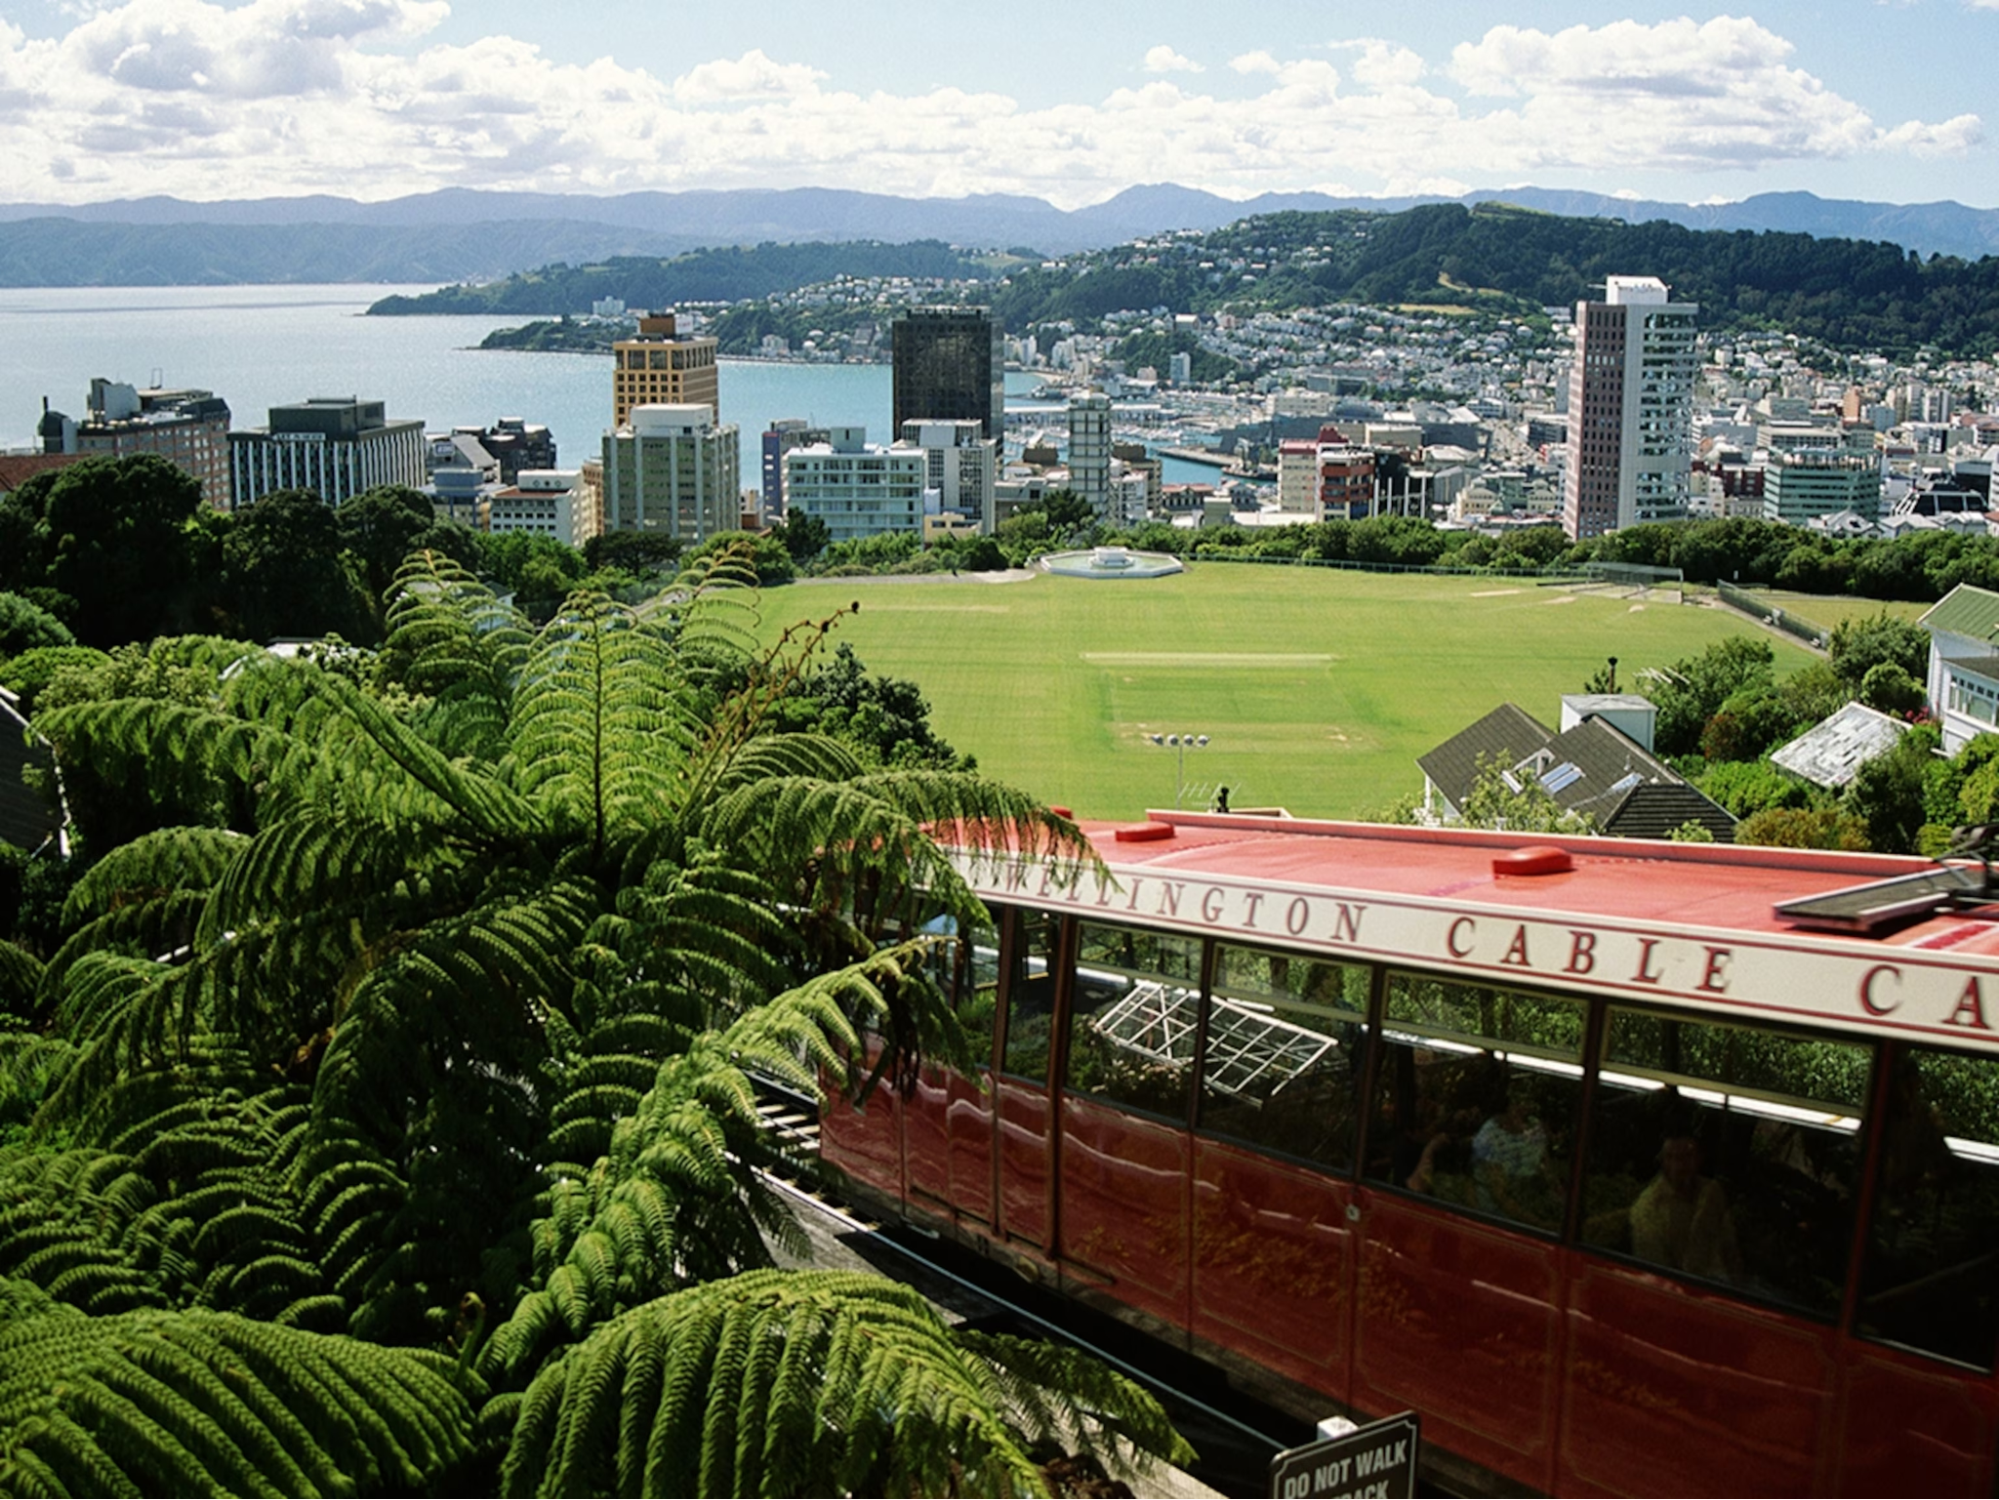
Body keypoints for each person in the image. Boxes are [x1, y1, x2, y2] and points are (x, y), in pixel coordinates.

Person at [1630, 1135, 1742, 1283]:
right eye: (1671, 1157)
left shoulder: (1711, 1192)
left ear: (1699, 1159)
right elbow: (1657, 1274)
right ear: (1662, 1161)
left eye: (1687, 1157)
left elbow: (1730, 1248)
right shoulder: (1648, 1209)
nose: (1679, 1166)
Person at [1472, 1082, 1557, 1226]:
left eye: (1527, 1102)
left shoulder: (1533, 1126)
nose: (1524, 1108)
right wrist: (1540, 1225)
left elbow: (1546, 1168)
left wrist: (1557, 1195)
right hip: (1502, 1212)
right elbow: (1500, 1196)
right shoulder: (1489, 1137)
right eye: (1517, 1103)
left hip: (1534, 1195)